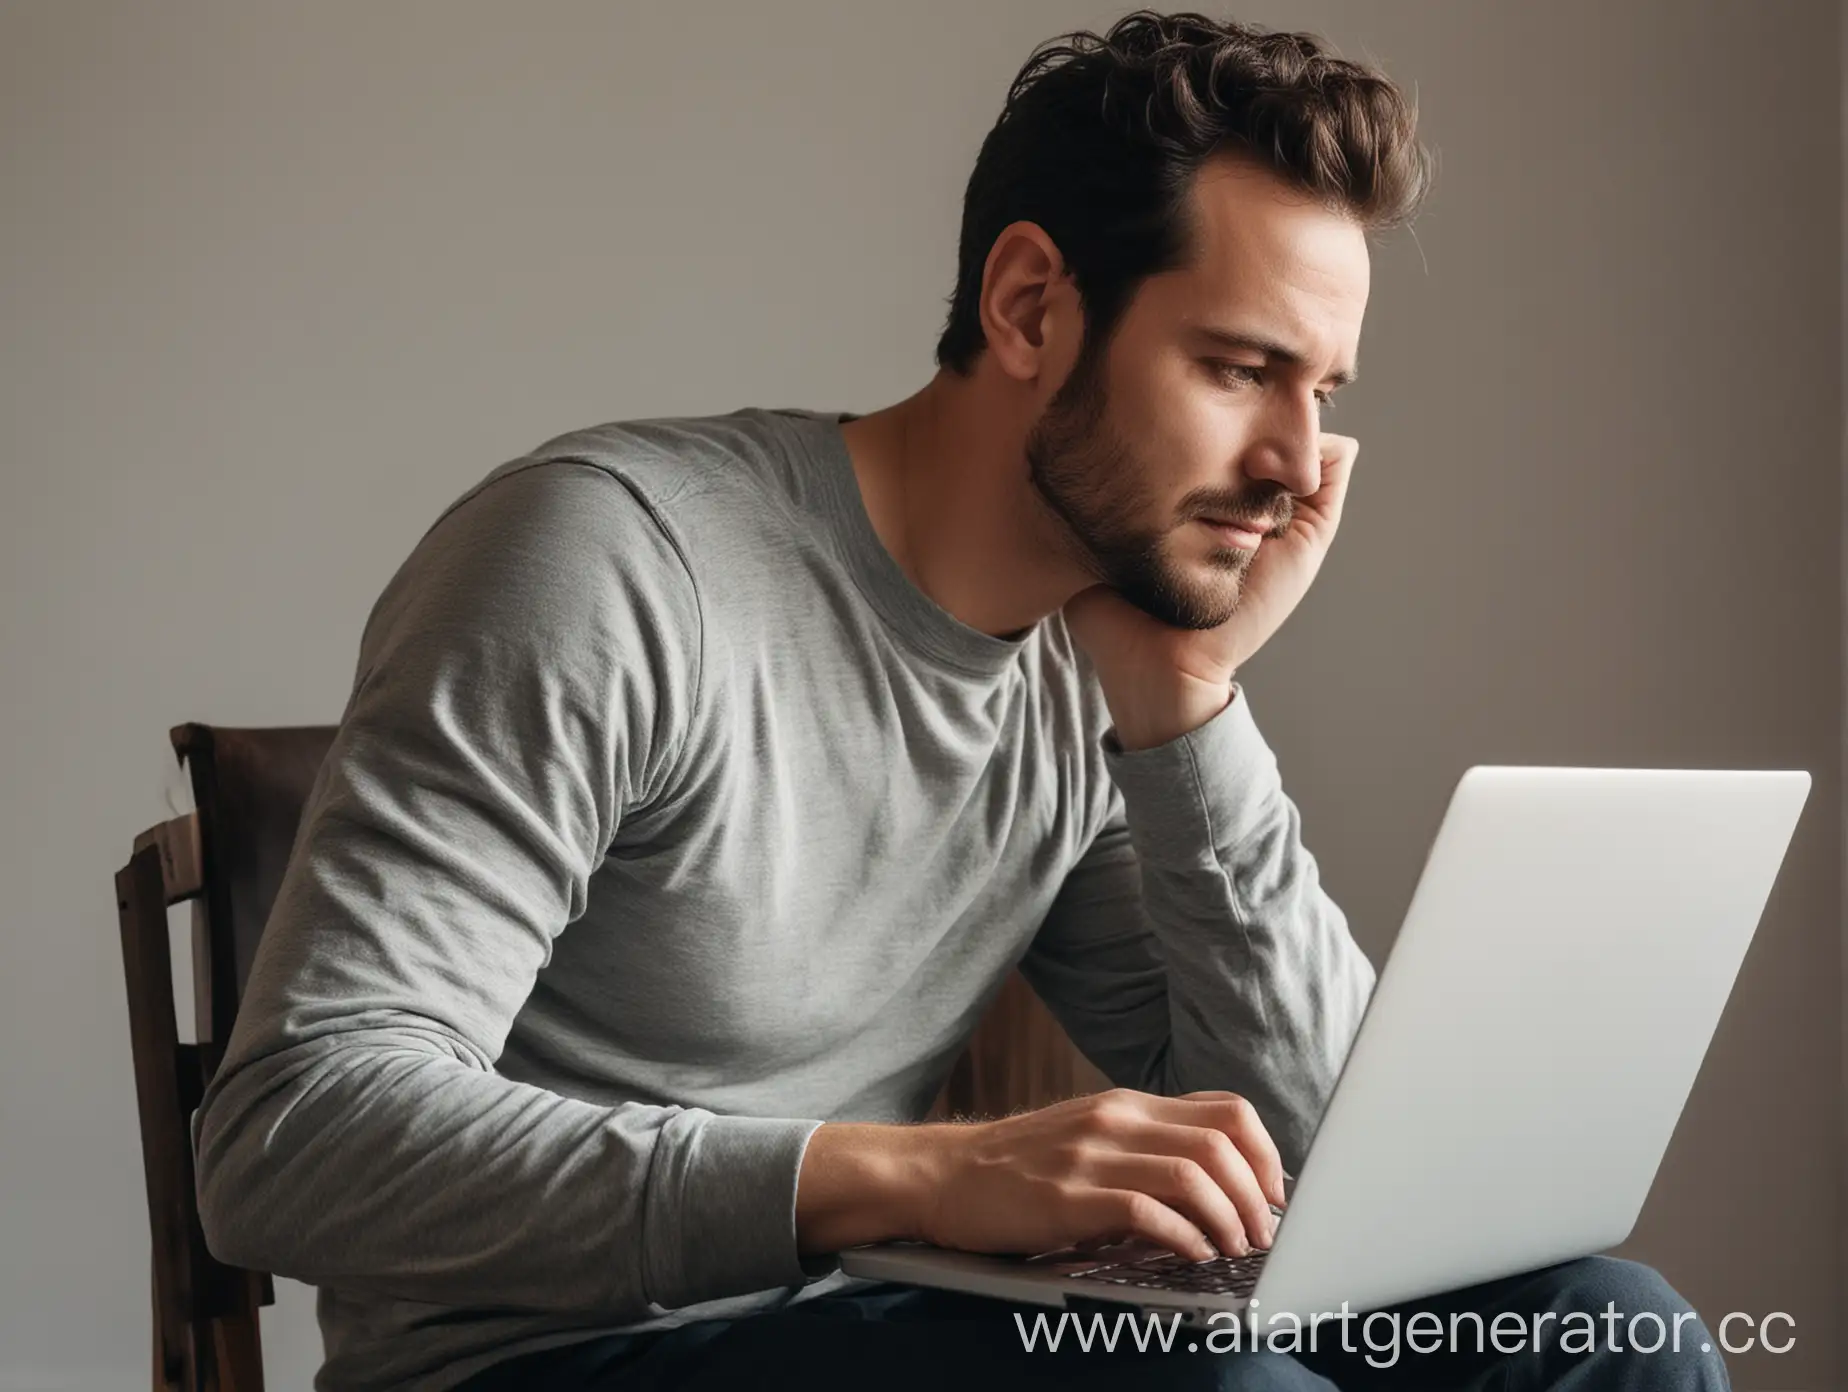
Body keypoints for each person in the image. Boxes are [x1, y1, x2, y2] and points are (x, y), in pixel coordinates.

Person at [192, 10, 1729, 1391]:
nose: (1293, 464)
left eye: (1320, 391)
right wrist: (905, 1180)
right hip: (550, 1361)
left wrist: (1189, 705)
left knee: (1610, 1332)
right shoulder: (613, 562)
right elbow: (292, 1143)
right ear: (1028, 304)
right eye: (1238, 368)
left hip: (872, 1321)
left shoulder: (1089, 654)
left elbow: (1337, 1173)